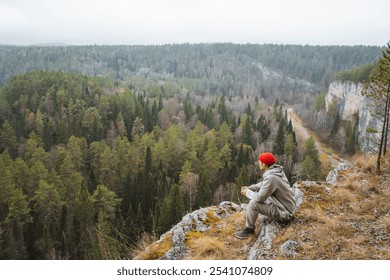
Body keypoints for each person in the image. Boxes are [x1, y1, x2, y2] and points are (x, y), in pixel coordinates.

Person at [234, 152, 296, 239]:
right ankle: (249, 227)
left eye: (260, 161)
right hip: (287, 207)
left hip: (284, 213)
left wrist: (248, 193)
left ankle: (249, 229)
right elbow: (263, 184)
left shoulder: (271, 178)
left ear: (264, 164)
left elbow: (260, 198)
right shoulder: (277, 172)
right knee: (259, 199)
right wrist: (250, 188)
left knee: (253, 203)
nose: (258, 163)